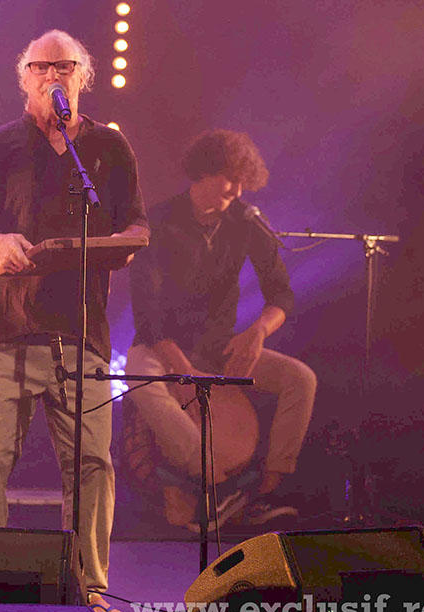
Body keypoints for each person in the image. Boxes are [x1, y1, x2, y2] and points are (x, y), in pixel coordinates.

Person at [0, 29, 149, 612]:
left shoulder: (108, 150)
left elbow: (137, 231)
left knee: (91, 465)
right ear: (24, 78)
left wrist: (99, 246)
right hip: (2, 332)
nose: (52, 75)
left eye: (64, 66)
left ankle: (90, 591)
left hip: (81, 334)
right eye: (40, 67)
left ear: (83, 76)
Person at [127, 129, 316, 529]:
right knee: (137, 372)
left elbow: (281, 294)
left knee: (301, 378)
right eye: (229, 178)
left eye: (242, 179)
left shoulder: (245, 222)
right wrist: (181, 371)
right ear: (202, 173)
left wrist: (259, 331)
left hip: (219, 346)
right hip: (162, 345)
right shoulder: (157, 222)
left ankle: (266, 489)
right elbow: (148, 313)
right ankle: (215, 483)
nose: (237, 189)